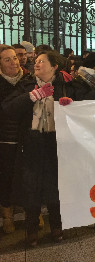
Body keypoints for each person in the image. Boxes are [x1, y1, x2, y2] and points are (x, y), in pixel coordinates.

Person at [2, 50, 74, 247]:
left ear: (54, 67)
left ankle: (57, 227)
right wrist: (32, 96)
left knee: (54, 187)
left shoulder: (66, 86)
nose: (37, 64)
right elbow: (8, 108)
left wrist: (71, 106)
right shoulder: (26, 84)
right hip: (32, 144)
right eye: (36, 61)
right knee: (31, 188)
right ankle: (31, 230)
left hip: (55, 144)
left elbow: (87, 107)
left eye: (42, 61)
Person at [0, 45, 33, 234]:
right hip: (5, 138)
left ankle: (33, 214)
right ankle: (7, 216)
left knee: (29, 176)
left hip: (27, 136)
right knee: (6, 178)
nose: (14, 62)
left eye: (15, 58)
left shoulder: (28, 79)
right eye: (7, 60)